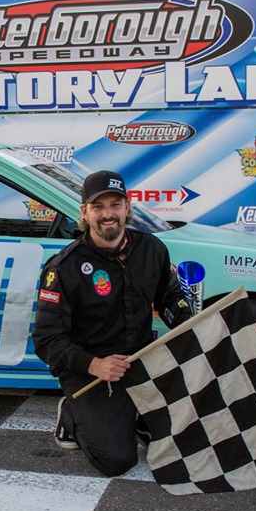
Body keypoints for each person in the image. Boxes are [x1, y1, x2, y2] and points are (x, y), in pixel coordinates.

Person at [32, 170, 192, 477]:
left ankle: (139, 417)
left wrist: (186, 320)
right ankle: (72, 414)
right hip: (92, 372)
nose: (108, 214)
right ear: (84, 212)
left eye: (115, 205)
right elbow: (46, 339)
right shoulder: (64, 267)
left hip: (140, 360)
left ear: (127, 207)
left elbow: (169, 296)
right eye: (98, 207)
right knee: (116, 460)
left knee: (190, 437)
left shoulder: (152, 249)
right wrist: (94, 365)